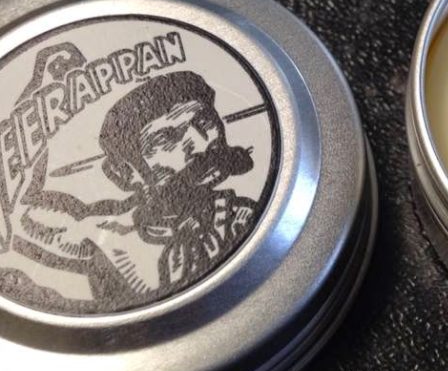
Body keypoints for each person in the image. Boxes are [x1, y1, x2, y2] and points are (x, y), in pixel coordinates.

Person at [3, 71, 260, 311]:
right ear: (125, 173)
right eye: (167, 139)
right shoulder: (108, 237)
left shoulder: (241, 218)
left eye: (204, 122)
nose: (202, 143)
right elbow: (27, 224)